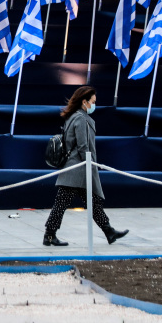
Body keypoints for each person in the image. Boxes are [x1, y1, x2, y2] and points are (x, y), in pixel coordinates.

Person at [43, 85, 128, 247]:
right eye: (93, 102)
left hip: (74, 168)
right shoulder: (81, 119)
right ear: (84, 102)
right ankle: (49, 235)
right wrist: (90, 164)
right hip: (79, 169)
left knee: (91, 202)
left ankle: (109, 231)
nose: (94, 105)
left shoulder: (72, 117)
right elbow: (83, 146)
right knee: (63, 203)